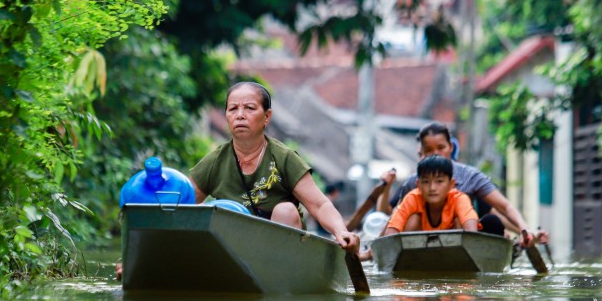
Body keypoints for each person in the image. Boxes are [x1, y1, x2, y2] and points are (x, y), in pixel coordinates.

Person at [189, 81, 360, 254]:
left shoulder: (284, 158)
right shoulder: (215, 161)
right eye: (233, 109)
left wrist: (341, 231)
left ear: (267, 117)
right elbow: (182, 206)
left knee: (285, 210)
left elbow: (320, 205)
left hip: (280, 256)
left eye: (249, 108)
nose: (240, 115)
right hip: (232, 252)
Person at [379, 122, 546, 247]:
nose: (432, 187)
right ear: (421, 153)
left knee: (490, 220)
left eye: (441, 148)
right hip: (423, 241)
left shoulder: (469, 179)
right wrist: (376, 249)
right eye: (429, 150)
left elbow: (503, 207)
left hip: (461, 238)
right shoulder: (413, 183)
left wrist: (524, 229)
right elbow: (393, 216)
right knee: (412, 218)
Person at [381, 155, 478, 236]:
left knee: (459, 221)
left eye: (439, 181)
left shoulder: (459, 199)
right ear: (418, 185)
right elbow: (393, 229)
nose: (432, 188)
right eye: (426, 182)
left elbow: (471, 230)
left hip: (451, 252)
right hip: (418, 251)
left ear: (451, 184)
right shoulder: (413, 198)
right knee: (412, 219)